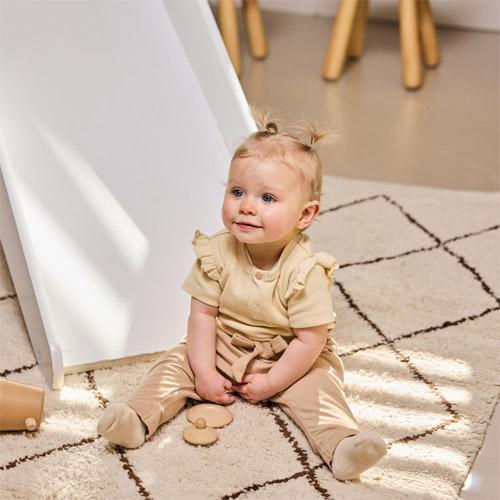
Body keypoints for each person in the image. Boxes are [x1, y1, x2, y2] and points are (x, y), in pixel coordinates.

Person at [97, 117, 387, 481]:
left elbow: (310, 340)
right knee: (172, 365)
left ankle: (342, 445)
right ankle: (136, 419)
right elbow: (202, 316)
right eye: (237, 192)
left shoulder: (305, 271)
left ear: (305, 214)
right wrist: (204, 372)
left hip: (289, 354)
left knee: (320, 389)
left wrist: (273, 382)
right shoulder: (216, 252)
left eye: (267, 198)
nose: (246, 207)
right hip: (221, 344)